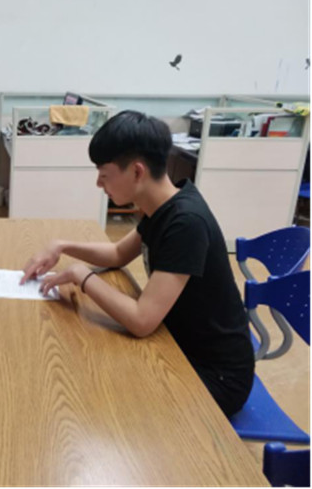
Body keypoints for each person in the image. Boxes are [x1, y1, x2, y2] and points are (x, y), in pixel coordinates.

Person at [21, 110, 254, 417]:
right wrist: (61, 246)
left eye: (104, 175)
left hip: (215, 375)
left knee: (98, 395)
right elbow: (118, 253)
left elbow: (142, 321)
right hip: (176, 344)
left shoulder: (186, 223)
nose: (99, 183)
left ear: (137, 171)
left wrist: (82, 276)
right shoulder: (163, 206)